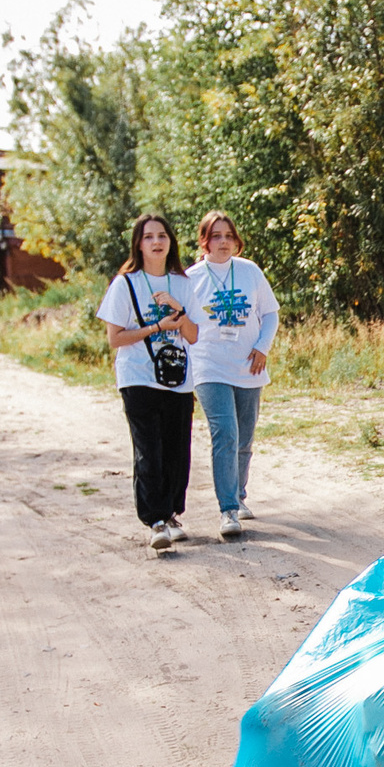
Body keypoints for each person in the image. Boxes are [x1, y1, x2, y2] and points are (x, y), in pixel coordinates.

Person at [98, 214, 202, 550]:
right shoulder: (125, 284)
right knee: (149, 450)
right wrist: (156, 327)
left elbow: (193, 335)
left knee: (177, 450)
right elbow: (115, 338)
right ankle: (155, 520)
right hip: (138, 376)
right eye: (148, 237)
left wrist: (178, 311)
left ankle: (171, 514)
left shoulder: (183, 283)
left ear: (171, 242)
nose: (156, 242)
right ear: (138, 244)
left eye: (162, 236)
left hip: (177, 378)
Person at [184, 211, 278, 538]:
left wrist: (263, 347)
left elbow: (270, 313)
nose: (223, 242)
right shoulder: (191, 278)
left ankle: (238, 494)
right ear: (204, 241)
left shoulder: (250, 271)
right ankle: (228, 510)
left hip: (249, 365)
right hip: (209, 365)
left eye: (228, 236)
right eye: (216, 236)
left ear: (236, 241)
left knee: (244, 438)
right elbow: (183, 325)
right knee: (225, 432)